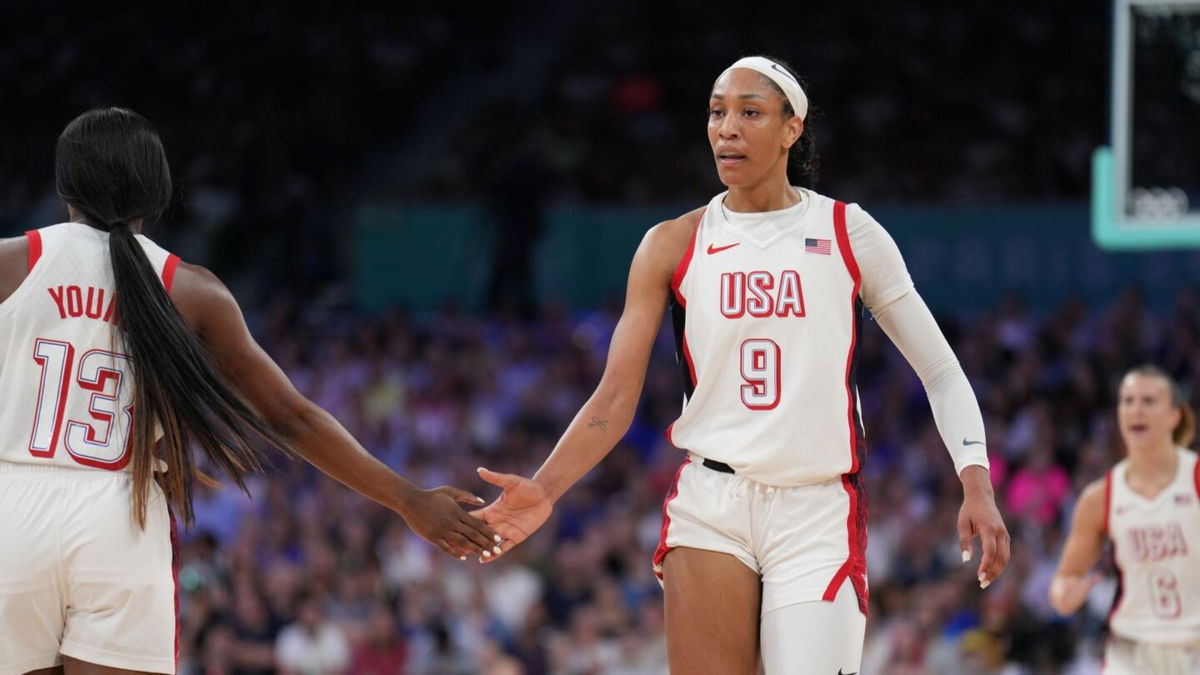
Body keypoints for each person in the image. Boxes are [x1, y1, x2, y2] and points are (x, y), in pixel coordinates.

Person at [471, 56, 1010, 674]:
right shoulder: (672, 243)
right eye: (717, 111)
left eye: (750, 113)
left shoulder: (847, 230)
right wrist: (545, 487)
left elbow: (941, 371)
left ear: (791, 129)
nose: (727, 127)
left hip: (815, 506)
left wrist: (976, 480)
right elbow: (613, 399)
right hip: (712, 500)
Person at [0, 107, 500, 675]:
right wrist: (407, 499)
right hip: (119, 514)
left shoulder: (10, 263)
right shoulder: (192, 289)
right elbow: (293, 419)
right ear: (158, 192)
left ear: (64, 187)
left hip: (11, 514)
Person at [1049, 365, 1200, 674]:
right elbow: (1064, 580)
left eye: (1148, 401)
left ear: (1175, 415)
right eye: (1127, 401)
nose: (1136, 410)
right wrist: (1066, 595)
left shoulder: (1195, 479)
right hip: (1130, 652)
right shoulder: (1100, 497)